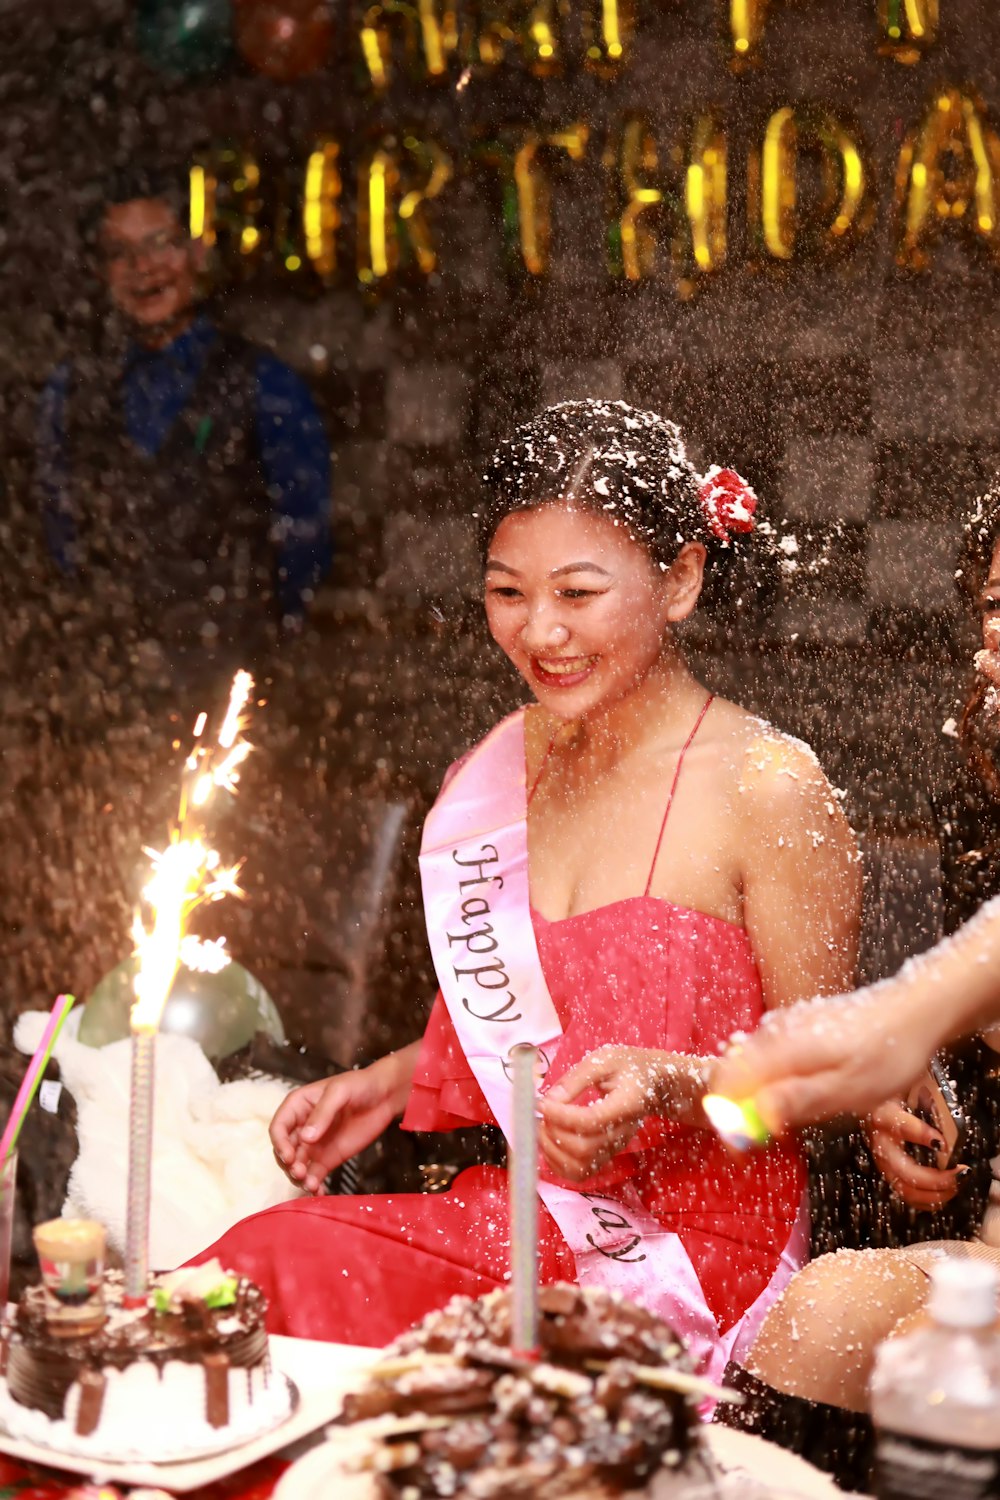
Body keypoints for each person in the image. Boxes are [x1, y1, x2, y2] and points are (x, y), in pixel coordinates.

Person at [190, 400, 860, 1377]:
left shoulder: (770, 788)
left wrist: (673, 1086)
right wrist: (386, 1084)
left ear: (679, 579)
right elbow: (534, 1014)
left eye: (578, 593)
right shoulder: (507, 767)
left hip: (696, 1253)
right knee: (249, 1284)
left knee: (274, 1273)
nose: (539, 631)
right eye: (508, 591)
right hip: (525, 1211)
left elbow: (834, 1086)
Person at [712, 484, 1000, 1488]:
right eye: (999, 606)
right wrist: (932, 1079)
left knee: (948, 1358)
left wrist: (901, 1022)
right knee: (821, 1313)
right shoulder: (982, 795)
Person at [34, 162, 332, 702]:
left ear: (196, 252)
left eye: (160, 243)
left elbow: (305, 537)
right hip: (108, 682)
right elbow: (60, 536)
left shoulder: (264, 383)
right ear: (101, 272)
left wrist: (265, 648)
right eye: (120, 253)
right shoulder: (71, 391)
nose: (142, 267)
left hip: (233, 681)